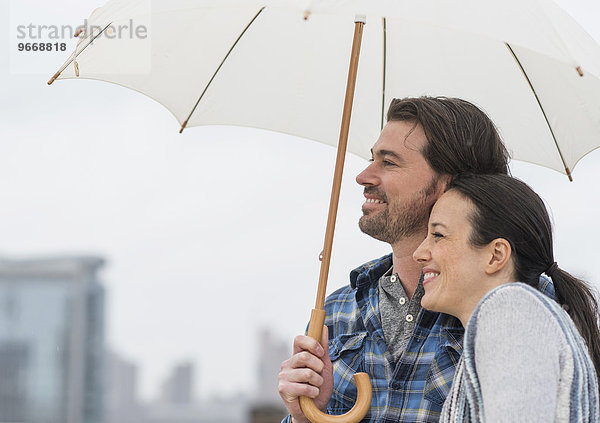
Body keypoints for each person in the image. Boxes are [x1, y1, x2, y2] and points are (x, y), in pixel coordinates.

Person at [278, 96, 534, 422]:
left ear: (449, 186)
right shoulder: (339, 309)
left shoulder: (522, 307)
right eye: (373, 159)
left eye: (389, 162)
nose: (364, 176)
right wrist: (305, 417)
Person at [413, 173, 600, 422]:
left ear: (495, 255)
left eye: (438, 235)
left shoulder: (511, 313)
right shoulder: (513, 322)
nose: (419, 252)